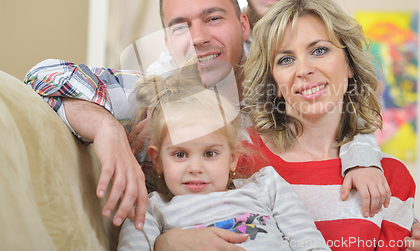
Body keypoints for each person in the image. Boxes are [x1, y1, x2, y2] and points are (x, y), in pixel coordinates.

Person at [25, 0, 420, 250]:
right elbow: (43, 75)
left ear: (244, 25)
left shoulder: (280, 95)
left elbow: (330, 109)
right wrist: (108, 130)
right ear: (168, 42)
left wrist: (362, 155)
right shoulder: (156, 95)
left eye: (213, 18)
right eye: (179, 27)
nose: (198, 37)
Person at [243, 0, 420, 250]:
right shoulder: (242, 159)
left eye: (319, 50)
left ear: (349, 64)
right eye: (286, 59)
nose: (304, 69)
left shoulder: (392, 177)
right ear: (275, 82)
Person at [118, 63, 329, 250]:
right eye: (180, 154)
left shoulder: (266, 186)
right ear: (157, 160)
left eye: (210, 153)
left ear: (232, 158)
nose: (195, 167)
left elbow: (310, 244)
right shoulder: (148, 209)